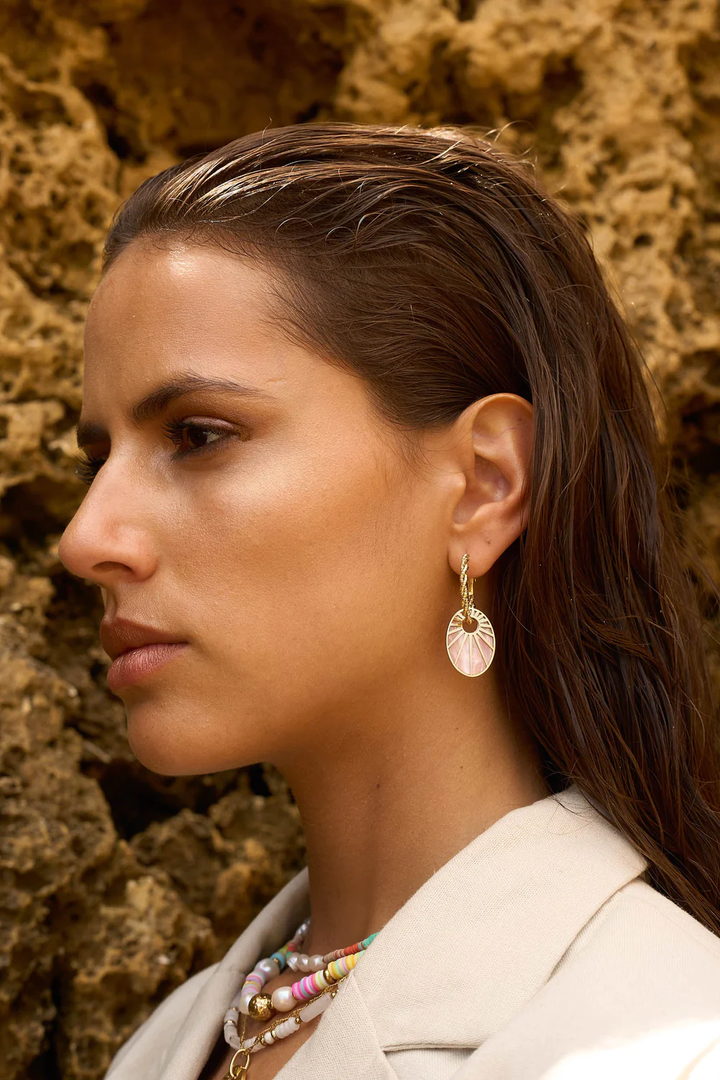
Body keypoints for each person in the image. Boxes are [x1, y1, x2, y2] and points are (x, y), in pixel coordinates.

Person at [57, 123, 720, 1080]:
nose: (86, 539)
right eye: (97, 456)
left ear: (484, 485)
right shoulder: (167, 1046)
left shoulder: (674, 1044)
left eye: (198, 435)